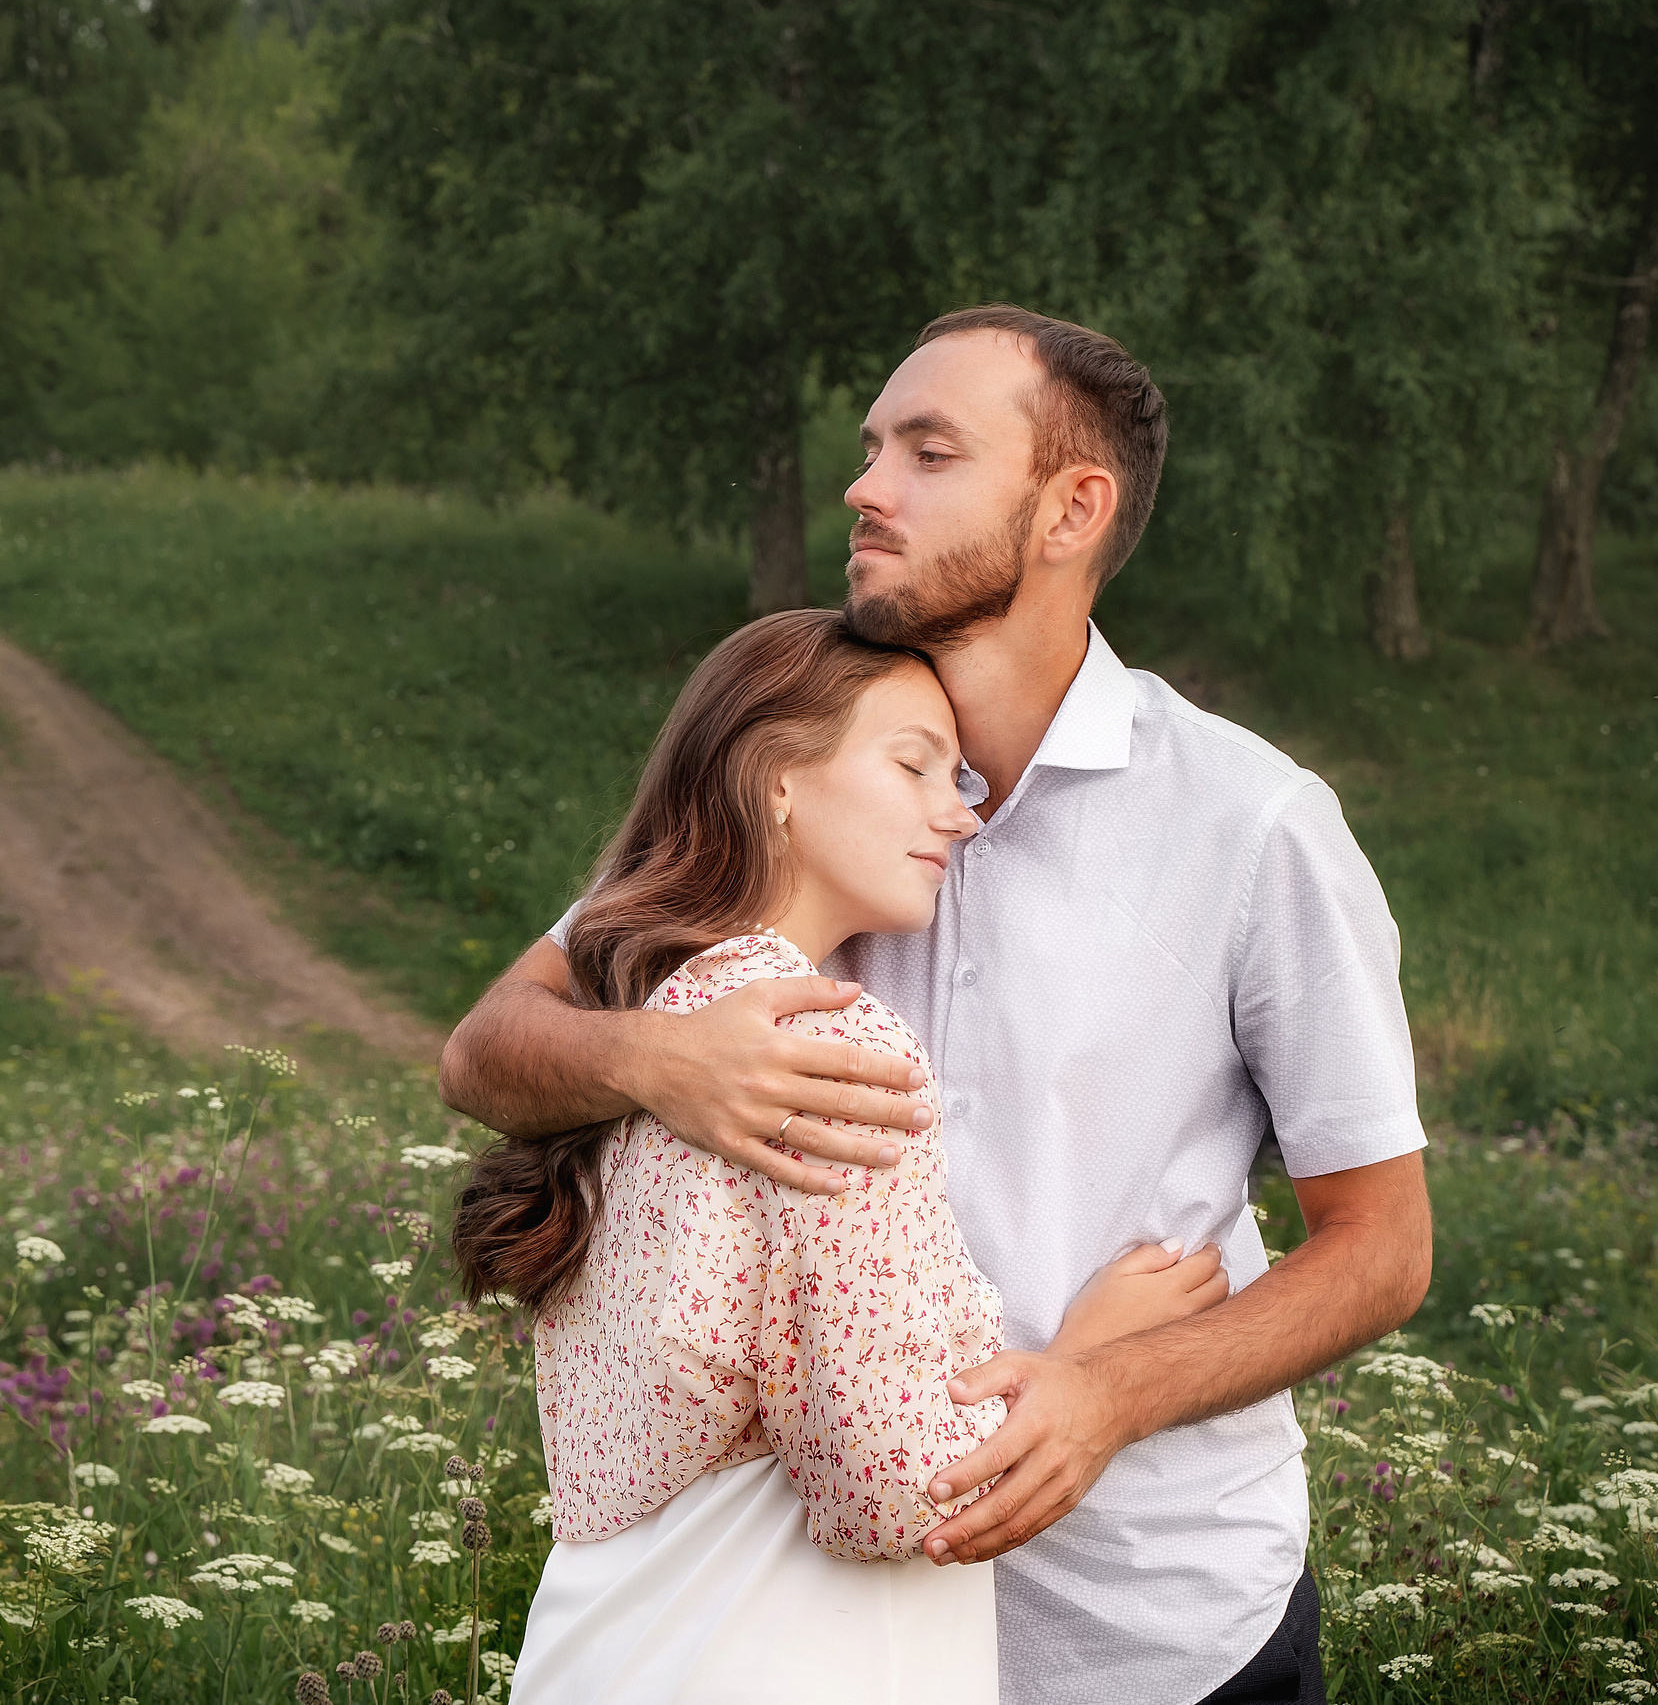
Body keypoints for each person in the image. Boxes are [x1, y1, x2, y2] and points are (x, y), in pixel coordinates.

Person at [441, 305, 1434, 1705]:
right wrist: (667, 1059)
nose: (864, 484)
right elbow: (489, 1046)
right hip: (826, 1628)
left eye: (928, 450)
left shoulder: (1254, 823)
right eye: (869, 446)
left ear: (1069, 508)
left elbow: (1384, 1245)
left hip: (1157, 1626)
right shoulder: (812, 771)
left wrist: (1107, 1391)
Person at [462, 609, 1232, 1705]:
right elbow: (896, 1491)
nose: (954, 816)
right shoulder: (825, 1051)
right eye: (913, 765)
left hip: (598, 1654)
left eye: (957, 778)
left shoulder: (640, 1025)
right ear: (775, 778)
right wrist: (1087, 1364)